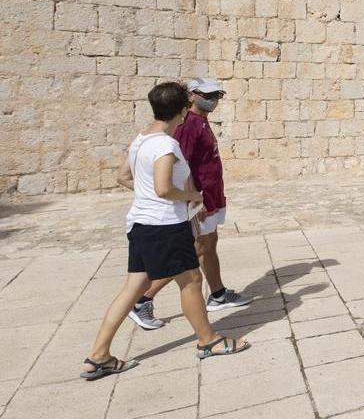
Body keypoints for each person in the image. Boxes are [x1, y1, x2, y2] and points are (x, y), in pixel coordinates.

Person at [81, 82, 249, 380]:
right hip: (165, 226)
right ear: (183, 110)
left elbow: (123, 176)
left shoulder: (142, 139)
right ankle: (209, 341)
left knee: (133, 289)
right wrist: (192, 197)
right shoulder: (166, 145)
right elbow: (163, 188)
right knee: (192, 280)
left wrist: (146, 192)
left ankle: (99, 356)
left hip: (140, 224)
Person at [127, 78, 251, 330]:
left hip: (210, 196)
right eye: (207, 94)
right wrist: (195, 201)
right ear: (191, 97)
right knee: (191, 254)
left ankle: (217, 294)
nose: (213, 99)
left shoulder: (200, 122)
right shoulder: (188, 126)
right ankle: (143, 299)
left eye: (217, 94)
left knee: (208, 245)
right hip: (198, 199)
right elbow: (179, 170)